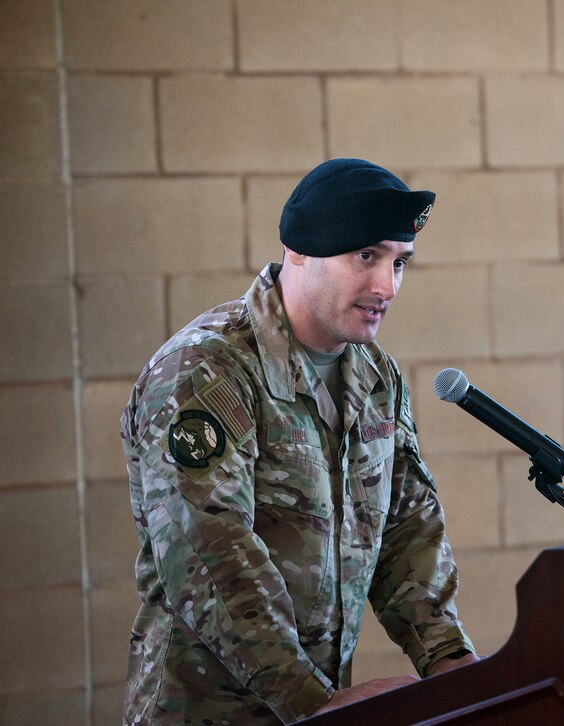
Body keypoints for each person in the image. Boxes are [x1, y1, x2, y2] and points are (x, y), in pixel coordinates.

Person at [120, 159, 478, 724]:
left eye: (399, 262)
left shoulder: (375, 376)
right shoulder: (209, 368)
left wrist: (449, 660)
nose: (386, 286)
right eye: (367, 256)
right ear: (300, 251)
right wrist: (315, 702)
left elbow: (407, 530)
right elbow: (208, 553)